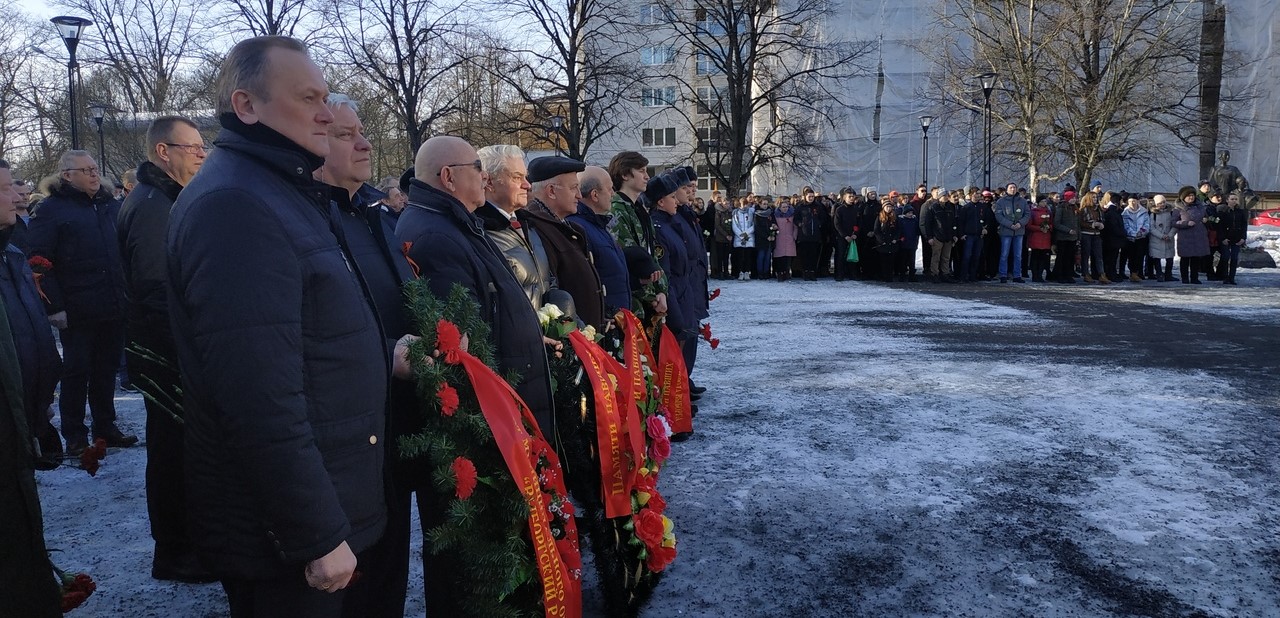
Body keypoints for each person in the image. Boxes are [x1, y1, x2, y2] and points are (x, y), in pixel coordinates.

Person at [167, 36, 393, 616]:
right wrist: (315, 533)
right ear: (246, 106)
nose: (326, 111)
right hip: (288, 540)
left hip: (329, 506)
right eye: (308, 97)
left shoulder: (283, 190)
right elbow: (257, 395)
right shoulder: (236, 204)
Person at [310, 94, 422, 618]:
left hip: (392, 427)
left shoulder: (375, 216)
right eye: (344, 134)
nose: (365, 142)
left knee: (386, 580)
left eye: (363, 131)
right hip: (339, 442)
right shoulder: (308, 221)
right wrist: (384, 356)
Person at [116, 115, 215, 583]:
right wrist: (189, 353)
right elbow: (157, 290)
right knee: (174, 453)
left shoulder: (168, 198)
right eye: (191, 146)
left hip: (171, 350)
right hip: (166, 355)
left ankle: (186, 544)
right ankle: (177, 552)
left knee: (182, 451)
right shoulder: (155, 205)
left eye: (202, 145)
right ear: (163, 152)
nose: (201, 152)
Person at [26, 150, 137, 454]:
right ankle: (74, 434)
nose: (93, 174)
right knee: (76, 372)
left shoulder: (110, 206)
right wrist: (54, 305)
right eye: (85, 170)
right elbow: (39, 260)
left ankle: (106, 426)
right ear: (66, 175)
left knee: (106, 370)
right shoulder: (52, 210)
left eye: (94, 168)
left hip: (112, 303)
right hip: (76, 309)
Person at [526, 156, 607, 328]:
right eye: (573, 188)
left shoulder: (567, 227)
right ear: (551, 191)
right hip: (571, 339)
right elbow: (551, 291)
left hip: (585, 336)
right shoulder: (537, 228)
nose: (579, 195)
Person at [475, 145, 557, 312]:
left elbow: (546, 282)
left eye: (525, 177)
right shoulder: (479, 231)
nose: (527, 185)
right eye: (517, 177)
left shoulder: (529, 225)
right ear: (489, 181)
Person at [569, 166, 632, 314]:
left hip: (617, 319)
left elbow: (610, 274)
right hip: (603, 323)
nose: (613, 194)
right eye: (609, 189)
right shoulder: (579, 229)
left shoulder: (599, 225)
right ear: (595, 195)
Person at [993, 183, 1030, 283]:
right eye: (1011, 188)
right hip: (1006, 231)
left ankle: (1017, 275)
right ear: (1007, 189)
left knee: (1018, 255)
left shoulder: (1022, 201)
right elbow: (999, 216)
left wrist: (1020, 223)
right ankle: (1003, 275)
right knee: (1004, 254)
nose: (1013, 189)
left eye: (1014, 187)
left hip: (1019, 231)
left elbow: (1027, 214)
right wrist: (1009, 224)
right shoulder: (1001, 201)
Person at [1172, 186, 1209, 284]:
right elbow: (1174, 222)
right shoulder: (1178, 209)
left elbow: (1205, 216)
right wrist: (1185, 223)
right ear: (1183, 197)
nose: (1191, 197)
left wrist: (1205, 219)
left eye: (1192, 195)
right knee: (1185, 258)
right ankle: (1184, 278)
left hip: (1198, 236)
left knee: (1195, 258)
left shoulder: (1199, 206)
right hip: (1185, 237)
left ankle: (1194, 278)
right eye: (1188, 196)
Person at [921, 187, 957, 283]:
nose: (946, 197)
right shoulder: (933, 207)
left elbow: (953, 222)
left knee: (946, 257)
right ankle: (934, 274)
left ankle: (945, 274)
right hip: (937, 236)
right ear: (940, 197)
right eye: (944, 195)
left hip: (948, 236)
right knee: (936, 256)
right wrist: (929, 237)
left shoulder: (950, 207)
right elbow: (928, 223)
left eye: (946, 195)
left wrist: (954, 234)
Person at [1216, 192, 1247, 285]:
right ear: (1227, 200)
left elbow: (1244, 226)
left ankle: (1232, 277)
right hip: (1226, 237)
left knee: (1234, 258)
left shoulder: (1240, 212)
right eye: (1232, 199)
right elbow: (1219, 227)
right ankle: (1224, 277)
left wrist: (1243, 238)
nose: (1234, 201)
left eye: (1235, 199)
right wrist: (1222, 238)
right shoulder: (1223, 212)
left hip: (1237, 238)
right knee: (1225, 257)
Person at [1147, 195, 1176, 282]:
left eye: (1163, 202)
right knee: (1157, 258)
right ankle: (1159, 274)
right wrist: (1161, 236)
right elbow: (1151, 228)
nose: (1162, 204)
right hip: (1157, 239)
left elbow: (1174, 225)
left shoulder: (1171, 212)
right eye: (1159, 203)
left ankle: (1168, 275)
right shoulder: (1153, 214)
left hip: (1168, 238)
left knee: (1170, 258)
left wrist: (1170, 235)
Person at [1051, 194, 1079, 283]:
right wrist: (1068, 230)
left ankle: (1068, 275)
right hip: (1063, 237)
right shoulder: (1061, 208)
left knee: (1070, 258)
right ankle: (1059, 275)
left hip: (1072, 237)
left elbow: (1077, 223)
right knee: (1061, 257)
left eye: (1075, 198)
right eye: (1072, 198)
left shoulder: (1074, 208)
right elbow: (1057, 223)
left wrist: (1078, 235)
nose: (1074, 199)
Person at [1121, 197, 1150, 282]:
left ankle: (1139, 272)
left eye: (1133, 201)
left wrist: (1141, 232)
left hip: (1141, 237)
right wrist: (1133, 233)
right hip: (1130, 238)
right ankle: (1132, 273)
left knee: (1140, 256)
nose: (1132, 203)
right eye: (1130, 201)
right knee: (1131, 256)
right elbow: (1125, 226)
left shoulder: (1144, 212)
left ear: (1137, 201)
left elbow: (1147, 224)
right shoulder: (1125, 213)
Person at [1025, 196, 1054, 282]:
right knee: (1035, 257)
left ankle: (1040, 275)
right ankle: (1035, 275)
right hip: (1036, 237)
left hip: (1046, 238)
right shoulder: (1033, 212)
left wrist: (1049, 227)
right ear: (1038, 202)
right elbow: (1029, 225)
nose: (1044, 203)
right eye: (1042, 201)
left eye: (1045, 201)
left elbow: (1052, 223)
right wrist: (1039, 228)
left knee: (1043, 258)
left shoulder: (1048, 212)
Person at [872, 200, 900, 282]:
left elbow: (898, 229)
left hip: (892, 242)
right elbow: (876, 230)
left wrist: (895, 238)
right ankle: (883, 276)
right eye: (887, 207)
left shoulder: (895, 217)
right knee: (883, 260)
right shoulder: (879, 217)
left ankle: (890, 276)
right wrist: (881, 240)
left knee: (891, 261)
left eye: (890, 206)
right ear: (883, 207)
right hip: (882, 243)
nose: (888, 208)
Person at [772, 197, 797, 281]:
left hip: (789, 238)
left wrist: (794, 236)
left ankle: (786, 272)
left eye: (786, 207)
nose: (785, 209)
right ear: (779, 208)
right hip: (779, 238)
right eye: (783, 207)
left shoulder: (792, 215)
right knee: (780, 257)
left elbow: (795, 227)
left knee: (788, 257)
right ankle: (780, 272)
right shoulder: (775, 215)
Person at [731, 196, 756, 280]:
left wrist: (746, 233)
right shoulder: (736, 213)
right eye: (743, 204)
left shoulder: (751, 213)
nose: (745, 206)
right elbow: (734, 225)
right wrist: (740, 234)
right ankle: (741, 272)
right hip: (739, 238)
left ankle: (747, 272)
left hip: (749, 237)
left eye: (746, 204)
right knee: (740, 256)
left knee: (748, 256)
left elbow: (754, 225)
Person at [711, 196, 734, 279]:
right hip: (720, 237)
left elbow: (732, 224)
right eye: (726, 203)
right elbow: (717, 225)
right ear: (722, 203)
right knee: (720, 256)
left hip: (728, 238)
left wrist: (730, 234)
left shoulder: (730, 212)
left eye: (729, 203)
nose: (727, 205)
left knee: (726, 256)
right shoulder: (719, 212)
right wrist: (726, 234)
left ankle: (726, 272)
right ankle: (720, 272)